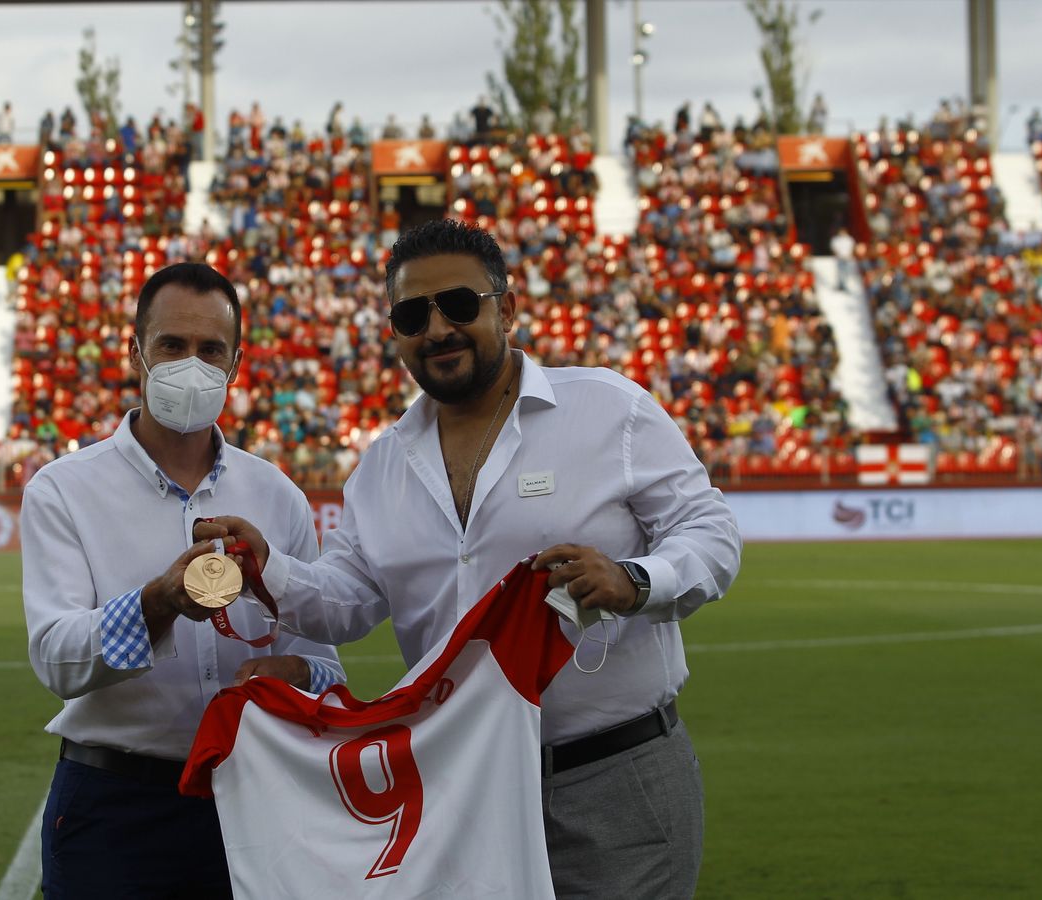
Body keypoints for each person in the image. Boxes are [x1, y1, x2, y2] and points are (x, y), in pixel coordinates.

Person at [200, 219, 742, 898]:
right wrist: (266, 566)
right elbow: (344, 600)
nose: (437, 330)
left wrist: (634, 581)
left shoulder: (610, 412)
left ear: (507, 308)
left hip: (613, 776)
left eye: (459, 305)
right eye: (411, 314)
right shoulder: (381, 467)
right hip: (461, 792)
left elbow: (711, 532)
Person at [20, 262, 346, 899]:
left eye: (210, 350)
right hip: (116, 807)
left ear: (236, 362)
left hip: (254, 798)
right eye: (172, 345)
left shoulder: (278, 497)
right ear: (135, 350)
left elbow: (327, 668)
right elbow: (56, 660)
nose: (190, 365)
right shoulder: (64, 491)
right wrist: (159, 602)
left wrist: (301, 676)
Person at [830, 226, 857, 290]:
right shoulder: (836, 239)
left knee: (846, 272)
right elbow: (834, 248)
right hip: (840, 258)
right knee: (839, 272)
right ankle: (839, 285)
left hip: (848, 258)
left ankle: (845, 285)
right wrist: (838, 255)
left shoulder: (850, 239)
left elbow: (853, 248)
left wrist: (849, 255)